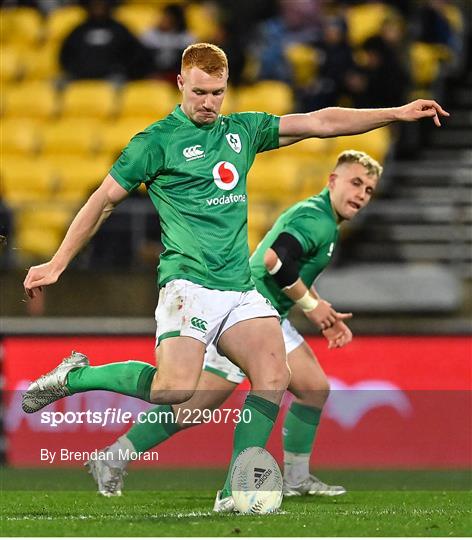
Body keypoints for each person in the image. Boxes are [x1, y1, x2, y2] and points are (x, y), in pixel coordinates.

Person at [22, 43, 448, 510]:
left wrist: (396, 112)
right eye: (200, 92)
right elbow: (103, 200)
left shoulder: (242, 131)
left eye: (218, 93)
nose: (208, 103)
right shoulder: (155, 142)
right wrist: (58, 262)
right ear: (181, 83)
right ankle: (77, 376)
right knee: (175, 390)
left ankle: (235, 490)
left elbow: (320, 122)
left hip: (239, 290)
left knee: (273, 374)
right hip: (188, 283)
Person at [85, 150, 381, 505]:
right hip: (246, 314)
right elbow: (275, 261)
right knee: (191, 406)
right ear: (333, 180)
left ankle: (294, 478)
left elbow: (289, 267)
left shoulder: (322, 219)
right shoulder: (315, 218)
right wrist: (312, 306)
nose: (362, 194)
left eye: (369, 189)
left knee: (313, 388)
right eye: (355, 183)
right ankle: (119, 457)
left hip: (268, 314)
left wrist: (320, 307)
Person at [59, 0, 150, 82]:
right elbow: (66, 55)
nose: (98, 8)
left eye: (101, 4)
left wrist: (122, 70)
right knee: (59, 83)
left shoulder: (120, 30)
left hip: (112, 78)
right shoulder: (78, 31)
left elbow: (135, 54)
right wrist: (75, 70)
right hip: (79, 77)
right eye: (95, 5)